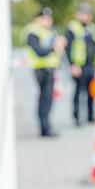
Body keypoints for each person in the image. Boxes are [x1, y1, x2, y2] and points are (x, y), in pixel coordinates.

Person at [23, 7, 64, 137]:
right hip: (41, 69)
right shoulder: (32, 31)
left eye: (49, 18)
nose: (48, 20)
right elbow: (39, 51)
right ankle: (44, 128)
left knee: (48, 99)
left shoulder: (48, 31)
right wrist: (54, 48)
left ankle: (46, 126)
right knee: (45, 99)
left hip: (50, 69)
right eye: (45, 18)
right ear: (37, 18)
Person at [65, 3, 95, 126]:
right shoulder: (72, 28)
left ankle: (90, 116)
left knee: (91, 92)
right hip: (78, 65)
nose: (85, 16)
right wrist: (72, 65)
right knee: (78, 92)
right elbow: (68, 47)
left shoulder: (93, 28)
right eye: (82, 13)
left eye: (87, 14)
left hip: (91, 65)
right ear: (77, 14)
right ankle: (77, 117)